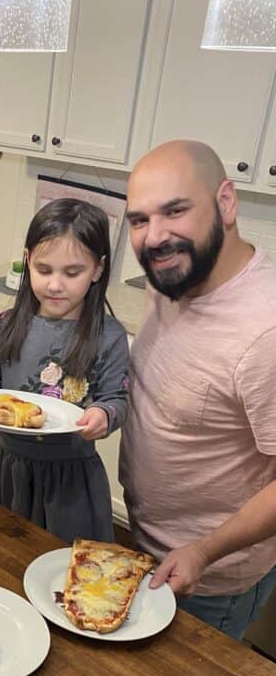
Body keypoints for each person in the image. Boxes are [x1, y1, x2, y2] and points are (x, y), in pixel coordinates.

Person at [121, 139, 276, 642]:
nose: (155, 236)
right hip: (144, 542)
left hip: (208, 580)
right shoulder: (171, 277)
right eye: (139, 220)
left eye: (175, 210)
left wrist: (205, 551)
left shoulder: (264, 331)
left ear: (226, 203)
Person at [0, 198, 129, 543]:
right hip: (1, 464)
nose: (55, 285)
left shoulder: (109, 337)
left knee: (53, 561)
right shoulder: (9, 321)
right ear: (28, 260)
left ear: (98, 269)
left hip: (67, 477)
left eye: (72, 273)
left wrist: (104, 414)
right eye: (44, 270)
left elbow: (116, 398)